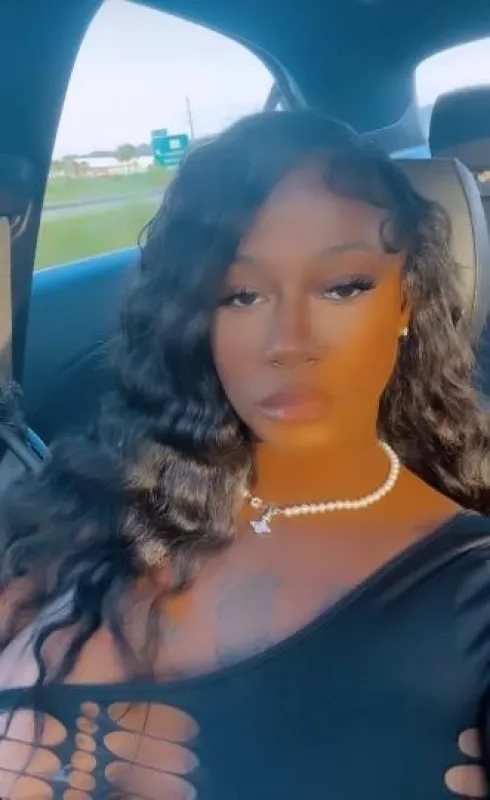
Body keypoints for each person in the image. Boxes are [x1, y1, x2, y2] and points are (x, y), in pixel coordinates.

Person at [0, 110, 489, 798]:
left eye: (343, 286)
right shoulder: (81, 505)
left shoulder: (470, 592)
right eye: (241, 294)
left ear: (407, 300)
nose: (289, 341)